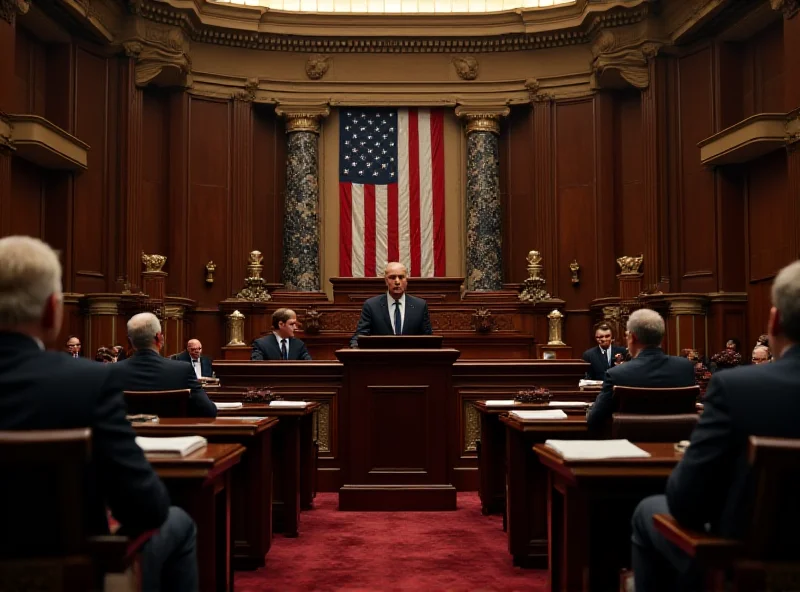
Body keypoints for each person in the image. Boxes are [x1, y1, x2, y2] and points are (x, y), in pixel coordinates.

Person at [0, 236, 198, 591]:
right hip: (66, 573)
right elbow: (145, 507)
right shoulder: (87, 382)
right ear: (51, 309)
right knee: (178, 521)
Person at [631, 260, 800, 591]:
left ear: (775, 320)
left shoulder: (736, 389)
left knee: (647, 510)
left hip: (746, 564)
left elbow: (686, 503)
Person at [586, 309, 695, 431]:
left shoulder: (616, 374)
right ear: (661, 336)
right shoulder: (685, 368)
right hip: (677, 443)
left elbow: (594, 420)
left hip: (629, 445)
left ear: (632, 337)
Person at [111, 313, 217, 417]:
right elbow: (208, 411)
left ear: (130, 341)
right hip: (172, 434)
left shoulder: (112, 371)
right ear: (159, 338)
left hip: (129, 434)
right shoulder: (182, 370)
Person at [349, 261, 432, 348]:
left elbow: (428, 339)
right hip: (381, 359)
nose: (397, 281)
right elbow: (360, 336)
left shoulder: (420, 306)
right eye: (392, 277)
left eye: (401, 277)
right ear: (386, 281)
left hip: (410, 359)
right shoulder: (371, 305)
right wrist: (355, 348)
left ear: (406, 280)